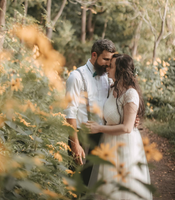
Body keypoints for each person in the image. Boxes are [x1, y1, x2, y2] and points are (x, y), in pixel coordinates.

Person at [64, 39, 139, 187]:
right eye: (105, 59)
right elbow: (70, 113)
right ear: (94, 55)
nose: (108, 64)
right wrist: (75, 144)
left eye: (110, 61)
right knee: (75, 184)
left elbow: (119, 101)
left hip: (103, 137)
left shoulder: (108, 78)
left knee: (95, 183)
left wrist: (130, 118)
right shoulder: (76, 77)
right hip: (81, 137)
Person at [85, 54, 152, 200]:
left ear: (120, 70)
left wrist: (99, 128)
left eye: (111, 66)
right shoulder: (111, 89)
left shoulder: (131, 94)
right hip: (108, 143)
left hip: (125, 146)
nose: (107, 68)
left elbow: (127, 128)